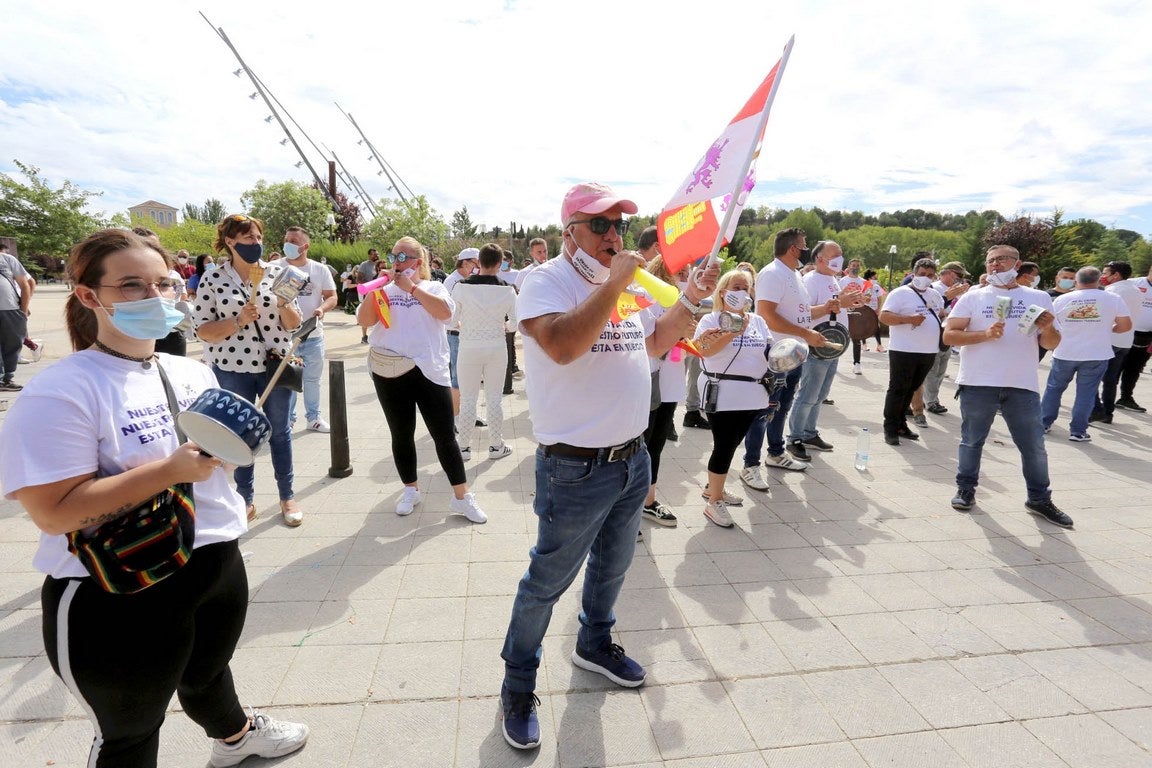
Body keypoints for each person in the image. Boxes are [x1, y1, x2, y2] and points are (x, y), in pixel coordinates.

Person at [0, 228, 308, 768]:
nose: (157, 296)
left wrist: (231, 453)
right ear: (90, 295)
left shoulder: (187, 369)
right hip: (118, 586)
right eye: (134, 286)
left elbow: (212, 461)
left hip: (214, 560)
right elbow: (53, 513)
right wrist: (168, 471)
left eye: (165, 283)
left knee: (207, 669)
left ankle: (236, 739)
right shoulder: (62, 390)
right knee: (131, 730)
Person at [499, 182, 716, 751]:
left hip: (632, 458)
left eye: (618, 226)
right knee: (546, 582)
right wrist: (618, 279)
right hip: (574, 468)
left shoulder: (623, 288)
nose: (613, 236)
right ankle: (517, 682)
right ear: (570, 229)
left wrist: (689, 299)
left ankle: (594, 642)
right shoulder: (546, 282)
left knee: (614, 567)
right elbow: (563, 346)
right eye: (600, 225)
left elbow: (660, 339)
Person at [357, 236, 488, 523]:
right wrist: (375, 290)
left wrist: (412, 288)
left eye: (403, 257)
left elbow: (445, 314)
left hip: (430, 370)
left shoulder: (434, 287)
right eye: (393, 257)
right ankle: (410, 490)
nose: (396, 262)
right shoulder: (384, 290)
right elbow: (366, 321)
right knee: (401, 434)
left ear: (418, 262)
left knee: (444, 437)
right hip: (390, 369)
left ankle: (462, 497)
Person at [943, 244, 1073, 528]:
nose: (995, 265)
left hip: (1021, 384)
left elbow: (1050, 344)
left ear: (1017, 264)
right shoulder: (972, 298)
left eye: (1002, 260)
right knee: (971, 441)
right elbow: (950, 336)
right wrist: (985, 335)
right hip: (978, 382)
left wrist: (1049, 327)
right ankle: (965, 489)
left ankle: (1039, 499)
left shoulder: (1037, 297)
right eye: (990, 260)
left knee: (1034, 446)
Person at [193, 214, 305, 527]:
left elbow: (294, 323)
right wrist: (238, 321)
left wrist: (284, 306)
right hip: (232, 368)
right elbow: (203, 331)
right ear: (230, 242)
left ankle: (287, 496)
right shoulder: (213, 279)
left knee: (280, 433)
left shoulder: (279, 273)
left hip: (275, 365)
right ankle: (245, 499)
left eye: (258, 238)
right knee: (240, 437)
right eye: (248, 239)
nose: (256, 244)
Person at [741, 228, 829, 477]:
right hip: (774, 355)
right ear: (793, 248)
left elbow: (800, 312)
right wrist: (806, 334)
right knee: (765, 409)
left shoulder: (794, 274)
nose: (806, 249)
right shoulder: (772, 274)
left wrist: (827, 308)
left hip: (793, 354)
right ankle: (750, 465)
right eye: (804, 245)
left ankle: (776, 453)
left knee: (781, 407)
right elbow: (767, 316)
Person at [695, 269, 771, 527]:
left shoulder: (758, 321)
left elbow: (768, 350)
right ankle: (713, 501)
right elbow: (704, 351)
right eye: (735, 287)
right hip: (723, 394)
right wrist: (733, 332)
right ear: (723, 291)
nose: (741, 292)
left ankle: (715, 488)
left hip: (754, 394)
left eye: (745, 287)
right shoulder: (710, 320)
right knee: (724, 445)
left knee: (732, 444)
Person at [785, 240, 861, 460]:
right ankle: (795, 437)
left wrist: (849, 302)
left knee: (820, 394)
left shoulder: (832, 280)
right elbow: (804, 313)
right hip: (817, 345)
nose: (840, 258)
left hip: (833, 346)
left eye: (841, 254)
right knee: (808, 393)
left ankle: (808, 433)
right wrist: (839, 301)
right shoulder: (809, 280)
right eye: (834, 254)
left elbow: (836, 307)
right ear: (820, 258)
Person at [638, 228, 691, 528]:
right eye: (679, 270)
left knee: (656, 444)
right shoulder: (649, 294)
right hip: (648, 379)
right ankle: (628, 508)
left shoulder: (684, 298)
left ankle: (648, 501)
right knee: (640, 445)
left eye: (687, 270)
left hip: (669, 382)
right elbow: (653, 339)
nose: (685, 274)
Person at [1041, 266, 1131, 440]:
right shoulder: (1113, 298)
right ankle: (1078, 431)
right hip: (1096, 354)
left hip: (1065, 352)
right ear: (1098, 280)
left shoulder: (1063, 299)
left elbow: (1051, 325)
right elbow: (1125, 326)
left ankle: (1044, 423)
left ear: (1076, 280)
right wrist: (1109, 328)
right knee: (1086, 393)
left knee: (1054, 389)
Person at [453, 242, 517, 460]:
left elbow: (451, 321)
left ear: (479, 262)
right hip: (496, 347)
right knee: (494, 399)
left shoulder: (461, 287)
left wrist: (463, 326)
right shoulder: (507, 290)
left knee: (468, 399)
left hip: (469, 347)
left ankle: (463, 448)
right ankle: (496, 446)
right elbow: (516, 323)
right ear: (500, 264)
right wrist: (504, 327)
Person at [276, 226, 338, 432]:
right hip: (285, 337)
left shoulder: (319, 270)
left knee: (312, 379)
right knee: (288, 381)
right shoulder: (275, 267)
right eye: (286, 239)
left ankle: (313, 418)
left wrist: (321, 308)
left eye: (293, 241)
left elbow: (332, 296)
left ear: (305, 246)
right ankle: (289, 419)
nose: (288, 244)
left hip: (313, 335)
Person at [879, 258, 945, 445]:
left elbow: (940, 313)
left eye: (930, 275)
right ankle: (890, 427)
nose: (926, 278)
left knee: (912, 388)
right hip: (904, 349)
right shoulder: (900, 293)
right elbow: (884, 316)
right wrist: (908, 319)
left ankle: (901, 424)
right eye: (922, 274)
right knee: (898, 389)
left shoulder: (934, 294)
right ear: (914, 273)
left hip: (928, 350)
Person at [1093, 261, 1143, 422]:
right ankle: (1108, 413)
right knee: (1110, 379)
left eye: (1106, 273)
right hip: (1125, 341)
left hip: (1110, 339)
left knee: (1090, 375)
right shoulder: (1136, 290)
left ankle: (1096, 409)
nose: (1102, 276)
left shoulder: (1112, 291)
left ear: (1116, 275)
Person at [918, 261, 970, 415]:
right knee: (932, 370)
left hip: (947, 334)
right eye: (958, 275)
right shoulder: (934, 288)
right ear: (949, 273)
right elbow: (929, 309)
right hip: (934, 334)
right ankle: (931, 401)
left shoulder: (956, 291)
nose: (960, 279)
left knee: (941, 369)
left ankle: (928, 399)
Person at [444, 248, 479, 417]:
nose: (479, 267)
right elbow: (449, 316)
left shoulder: (467, 280)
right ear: (465, 263)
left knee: (470, 377)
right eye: (476, 263)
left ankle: (469, 413)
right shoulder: (453, 282)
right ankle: (456, 417)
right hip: (456, 336)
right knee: (458, 378)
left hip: (468, 335)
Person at [1116, 263, 1152, 413]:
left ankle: (1126, 398)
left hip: (1148, 336)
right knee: (1116, 367)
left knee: (1135, 368)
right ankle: (1105, 399)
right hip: (1126, 332)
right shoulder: (1133, 283)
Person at [0, 241, 32, 390]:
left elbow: (25, 284)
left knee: (12, 345)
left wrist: (23, 311)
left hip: (11, 309)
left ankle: (7, 378)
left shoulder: (8, 259)